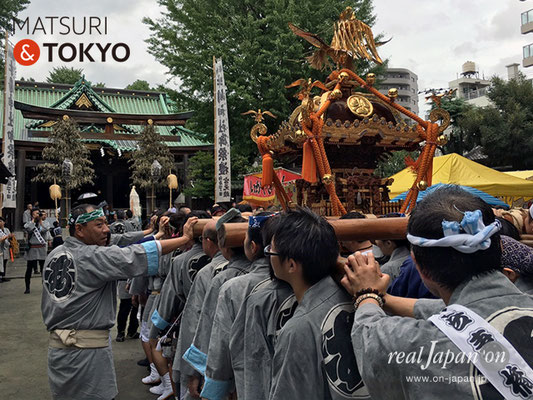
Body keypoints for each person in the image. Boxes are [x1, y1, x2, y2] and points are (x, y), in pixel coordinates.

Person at [342, 185, 533, 399]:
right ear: (499, 249)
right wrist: (383, 298)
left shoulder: (418, 345)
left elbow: (370, 337)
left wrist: (366, 294)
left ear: (419, 266)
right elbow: (462, 312)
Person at [41, 204, 198, 400]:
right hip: (85, 354)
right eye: (99, 225)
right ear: (79, 230)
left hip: (59, 353)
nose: (106, 230)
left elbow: (122, 244)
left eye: (106, 223)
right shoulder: (90, 256)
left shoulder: (55, 254)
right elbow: (133, 255)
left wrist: (155, 233)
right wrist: (184, 238)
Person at [269, 208, 369, 399]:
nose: (269, 255)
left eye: (271, 251)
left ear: (291, 265)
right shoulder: (357, 297)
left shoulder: (297, 329)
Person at [201, 212, 276, 399]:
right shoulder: (301, 281)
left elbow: (220, 350)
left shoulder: (233, 288)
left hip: (252, 384)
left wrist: (212, 390)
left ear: (252, 246)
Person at [183, 209, 249, 398]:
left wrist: (197, 373)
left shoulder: (224, 281)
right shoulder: (277, 276)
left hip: (231, 365)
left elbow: (211, 331)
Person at [173, 219, 229, 400]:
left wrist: (193, 370)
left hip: (213, 354)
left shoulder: (209, 274)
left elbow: (195, 324)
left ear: (209, 241)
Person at [24, 209, 50, 293]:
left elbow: (45, 230)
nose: (38, 215)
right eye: (35, 213)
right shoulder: (29, 223)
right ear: (32, 215)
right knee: (29, 268)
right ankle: (27, 287)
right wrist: (33, 220)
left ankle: (45, 286)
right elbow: (28, 229)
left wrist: (40, 221)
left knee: (43, 268)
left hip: (41, 247)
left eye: (39, 213)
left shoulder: (45, 222)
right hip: (32, 248)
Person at [0, 217, 14, 283]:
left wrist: (10, 236)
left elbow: (9, 237)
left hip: (5, 247)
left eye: (1, 221)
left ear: (4, 222)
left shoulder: (6, 229)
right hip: (0, 248)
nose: (0, 223)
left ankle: (3, 276)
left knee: (4, 262)